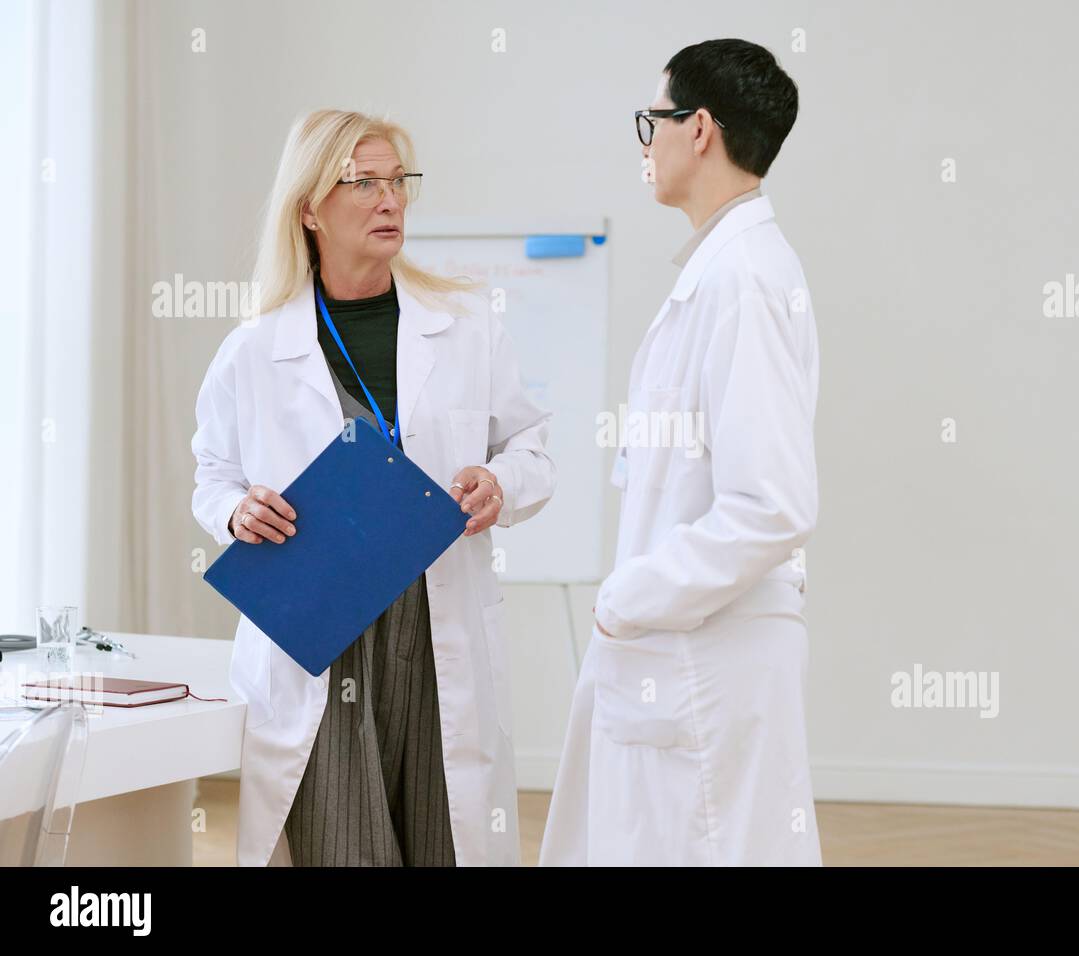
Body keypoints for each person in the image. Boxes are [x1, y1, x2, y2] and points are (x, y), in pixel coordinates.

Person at [191, 109, 556, 866]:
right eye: (364, 183)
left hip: (434, 618)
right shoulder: (255, 349)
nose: (390, 200)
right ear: (309, 207)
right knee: (341, 844)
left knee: (441, 836)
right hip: (323, 627)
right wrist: (234, 512)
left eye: (398, 182)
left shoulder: (463, 325)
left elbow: (531, 447)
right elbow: (213, 475)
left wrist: (502, 484)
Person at [540, 39, 822, 865]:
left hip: (706, 654)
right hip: (688, 654)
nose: (645, 144)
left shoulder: (744, 281)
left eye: (651, 122)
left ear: (698, 129)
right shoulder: (722, 272)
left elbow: (773, 505)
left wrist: (632, 595)